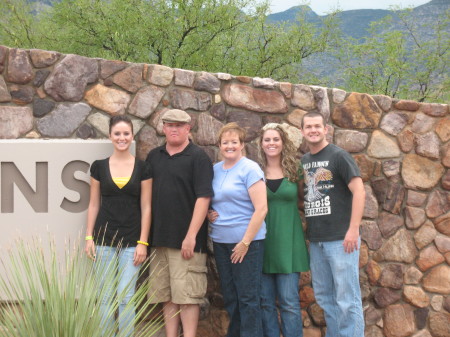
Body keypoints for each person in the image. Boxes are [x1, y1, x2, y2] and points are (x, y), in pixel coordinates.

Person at [146, 109, 214, 337]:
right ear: (163, 128)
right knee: (166, 296)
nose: (174, 129)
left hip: (187, 242)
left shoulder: (198, 157)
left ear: (188, 128)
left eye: (179, 125)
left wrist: (191, 236)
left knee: (187, 297)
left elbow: (204, 198)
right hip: (159, 241)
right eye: (169, 125)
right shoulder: (154, 156)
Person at [85, 115, 152, 337]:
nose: (121, 138)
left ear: (132, 136)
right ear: (110, 136)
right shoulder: (99, 167)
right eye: (117, 133)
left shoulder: (143, 168)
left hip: (133, 241)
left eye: (126, 133)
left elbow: (147, 206)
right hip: (103, 239)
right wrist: (88, 238)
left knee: (126, 297)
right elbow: (94, 204)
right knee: (104, 297)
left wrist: (143, 241)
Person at [300, 111, 365, 337]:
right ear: (302, 131)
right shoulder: (305, 161)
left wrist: (353, 230)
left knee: (347, 299)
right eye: (308, 127)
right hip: (317, 241)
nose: (313, 130)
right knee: (325, 298)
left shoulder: (339, 156)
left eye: (317, 126)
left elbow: (359, 191)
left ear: (325, 129)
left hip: (341, 239)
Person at [209, 122, 268, 337]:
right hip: (221, 241)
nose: (230, 146)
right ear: (219, 145)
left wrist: (244, 243)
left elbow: (261, 209)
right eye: (226, 142)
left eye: (234, 142)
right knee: (231, 297)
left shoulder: (250, 169)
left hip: (247, 243)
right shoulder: (215, 170)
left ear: (242, 145)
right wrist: (209, 212)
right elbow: (213, 200)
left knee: (248, 298)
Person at [258, 123, 309, 337]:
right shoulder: (255, 171)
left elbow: (304, 200)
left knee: (289, 302)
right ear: (261, 144)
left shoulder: (294, 169)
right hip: (261, 243)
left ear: (283, 142)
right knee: (265, 303)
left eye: (275, 139)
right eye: (267, 140)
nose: (271, 143)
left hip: (289, 242)